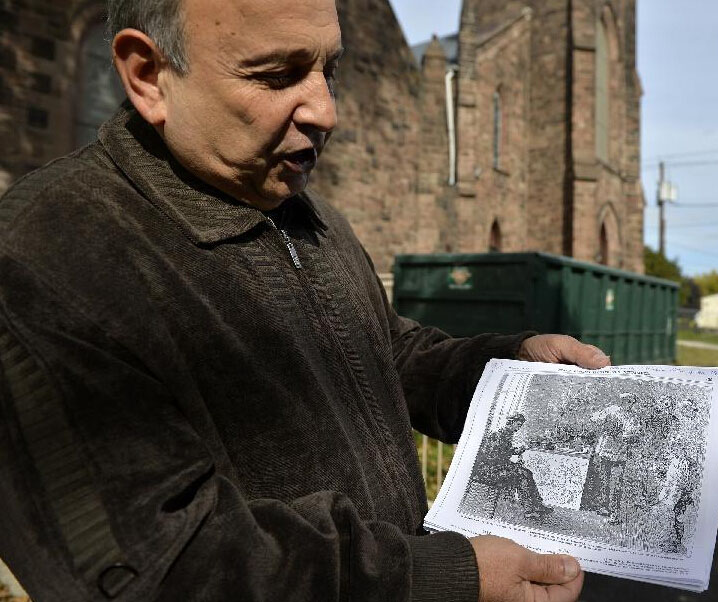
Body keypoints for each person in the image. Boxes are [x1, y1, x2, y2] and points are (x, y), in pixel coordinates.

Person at [0, 1, 611, 600]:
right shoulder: (46, 258)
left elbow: (385, 355)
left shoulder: (306, 216)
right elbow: (169, 565)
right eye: (276, 75)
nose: (326, 111)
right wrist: (446, 577)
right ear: (148, 75)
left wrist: (506, 373)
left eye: (329, 69)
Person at [473, 414, 552, 519]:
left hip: (497, 466)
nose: (518, 428)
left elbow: (504, 451)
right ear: (511, 422)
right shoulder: (500, 435)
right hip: (490, 471)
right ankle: (529, 509)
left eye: (520, 426)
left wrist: (516, 451)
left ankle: (535, 505)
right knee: (523, 475)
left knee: (527, 473)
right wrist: (513, 457)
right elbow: (494, 457)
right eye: (518, 425)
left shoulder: (506, 434)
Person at [580, 393, 640, 522]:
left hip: (620, 455)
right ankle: (603, 507)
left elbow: (632, 435)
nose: (627, 403)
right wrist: (603, 423)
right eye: (625, 400)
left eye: (630, 401)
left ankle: (614, 512)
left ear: (632, 403)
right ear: (621, 401)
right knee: (603, 480)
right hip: (605, 453)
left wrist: (621, 434)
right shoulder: (612, 410)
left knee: (616, 484)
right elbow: (594, 418)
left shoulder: (632, 418)